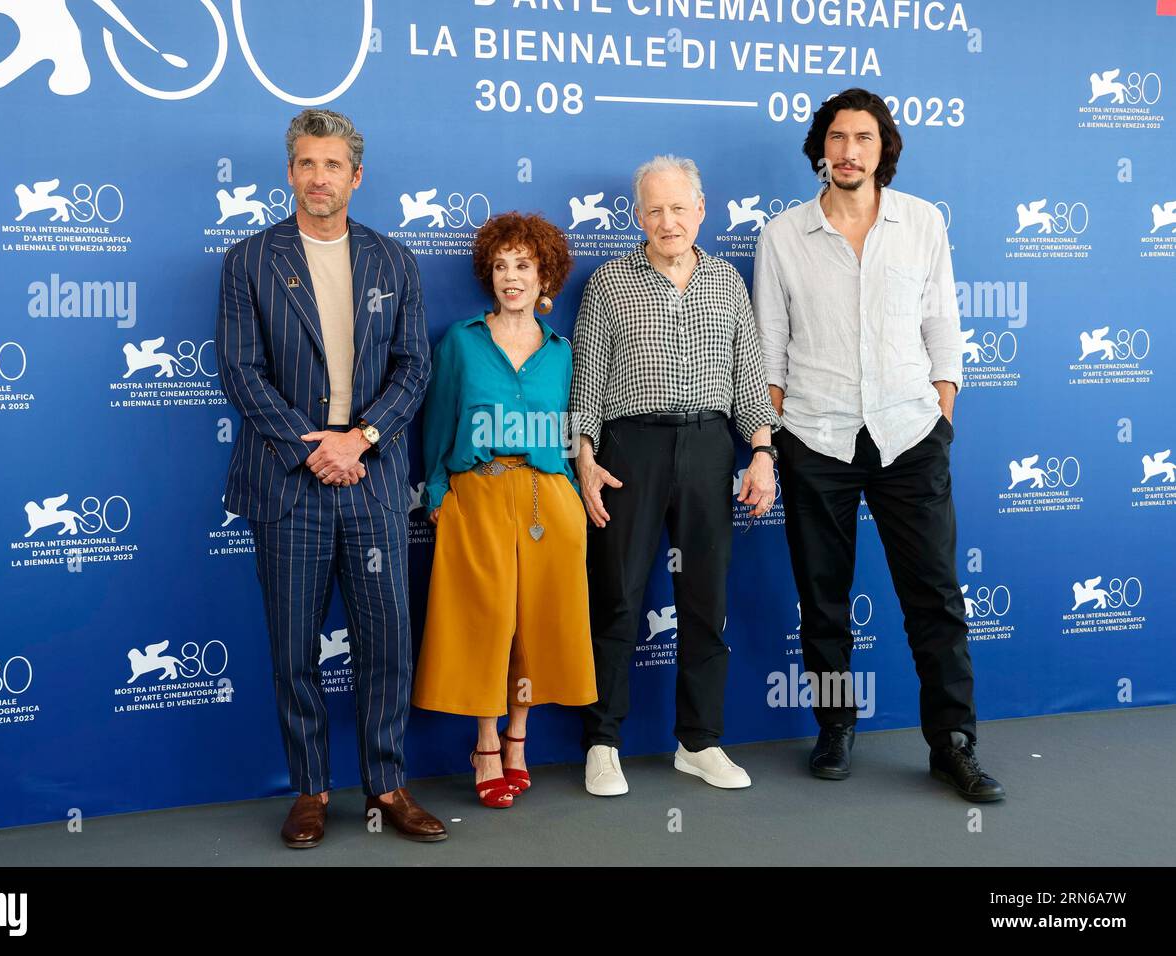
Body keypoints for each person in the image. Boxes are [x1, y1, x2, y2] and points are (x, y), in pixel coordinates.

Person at [751, 87, 1005, 801]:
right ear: (819, 149)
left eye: (863, 137)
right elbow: (769, 350)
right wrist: (771, 443)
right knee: (823, 602)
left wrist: (941, 416)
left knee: (935, 597)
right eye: (836, 137)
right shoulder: (782, 235)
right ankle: (835, 725)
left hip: (909, 435)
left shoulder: (922, 223)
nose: (848, 151)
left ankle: (953, 742)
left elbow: (943, 328)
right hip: (817, 437)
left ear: (882, 147)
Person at [215, 108, 448, 847]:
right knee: (294, 650)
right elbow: (241, 373)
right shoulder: (248, 260)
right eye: (307, 164)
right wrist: (313, 448)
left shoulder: (394, 260)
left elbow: (416, 367)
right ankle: (311, 790)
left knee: (386, 645)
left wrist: (362, 439)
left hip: (373, 482)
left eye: (334, 166)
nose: (320, 178)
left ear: (356, 176)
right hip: (288, 484)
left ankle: (386, 785)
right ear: (290, 173)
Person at [570, 155, 780, 797]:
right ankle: (603, 744)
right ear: (639, 216)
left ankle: (699, 741)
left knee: (704, 601)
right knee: (617, 598)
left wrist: (763, 452)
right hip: (630, 452)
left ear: (701, 211)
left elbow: (749, 375)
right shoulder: (607, 282)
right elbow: (589, 379)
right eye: (655, 209)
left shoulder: (727, 284)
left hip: (710, 448)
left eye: (679, 208)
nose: (668, 221)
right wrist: (585, 457)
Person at [413, 212, 597, 809]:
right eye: (500, 266)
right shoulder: (461, 342)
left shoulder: (564, 351)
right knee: (484, 624)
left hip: (550, 499)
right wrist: (438, 493)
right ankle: (485, 743)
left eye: (524, 265)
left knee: (535, 628)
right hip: (478, 495)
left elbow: (576, 430)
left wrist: (575, 486)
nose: (511, 277)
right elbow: (437, 424)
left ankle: (519, 740)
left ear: (545, 275)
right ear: (488, 275)